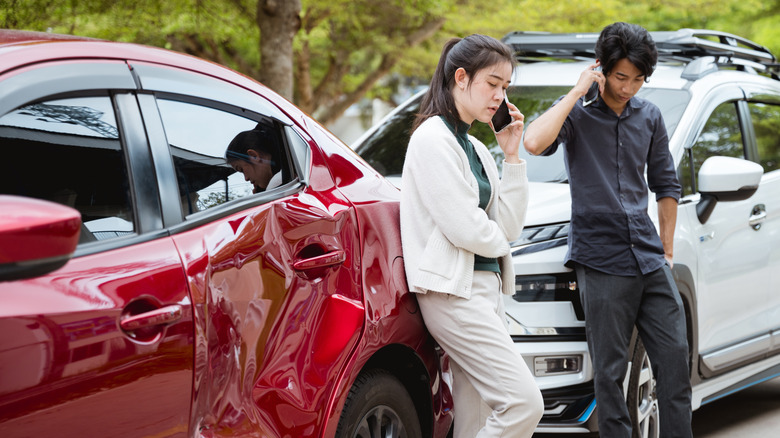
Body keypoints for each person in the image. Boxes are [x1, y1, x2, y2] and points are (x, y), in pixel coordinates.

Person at [523, 22, 692, 437]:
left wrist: (667, 253)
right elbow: (532, 142)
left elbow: (667, 185)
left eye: (637, 79)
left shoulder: (649, 116)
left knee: (674, 364)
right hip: (601, 261)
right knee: (610, 376)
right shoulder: (577, 117)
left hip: (650, 259)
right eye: (620, 77)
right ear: (601, 68)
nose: (628, 87)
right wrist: (577, 91)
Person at [400, 34, 544, 438]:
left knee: (476, 417)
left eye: (505, 87)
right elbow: (464, 227)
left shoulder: (477, 149)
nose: (499, 96)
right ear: (460, 78)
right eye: (492, 84)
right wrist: (502, 240)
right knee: (523, 404)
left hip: (484, 289)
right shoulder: (432, 138)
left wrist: (512, 156)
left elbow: (508, 225)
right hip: (452, 294)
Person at [225, 122, 283, 193]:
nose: (246, 178)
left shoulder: (278, 181)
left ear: (254, 156)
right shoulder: (285, 178)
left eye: (241, 169)